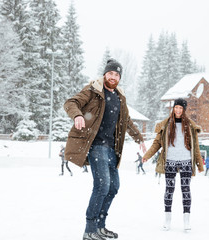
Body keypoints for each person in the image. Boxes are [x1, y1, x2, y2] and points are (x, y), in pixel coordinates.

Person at [64, 59, 146, 240]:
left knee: (113, 187)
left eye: (116, 75)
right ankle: (90, 229)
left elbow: (126, 122)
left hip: (112, 149)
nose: (113, 77)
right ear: (105, 74)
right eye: (110, 73)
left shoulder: (119, 97)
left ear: (119, 78)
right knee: (102, 186)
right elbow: (71, 102)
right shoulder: (93, 91)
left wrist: (139, 138)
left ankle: (100, 226)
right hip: (96, 146)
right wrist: (77, 115)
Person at [142, 98, 204, 231]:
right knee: (169, 190)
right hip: (170, 161)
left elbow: (196, 147)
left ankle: (186, 221)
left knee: (185, 189)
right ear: (173, 108)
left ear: (184, 110)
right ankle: (167, 219)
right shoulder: (166, 124)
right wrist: (147, 155)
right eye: (176, 107)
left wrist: (199, 164)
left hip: (186, 161)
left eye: (181, 108)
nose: (178, 110)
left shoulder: (190, 126)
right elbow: (157, 143)